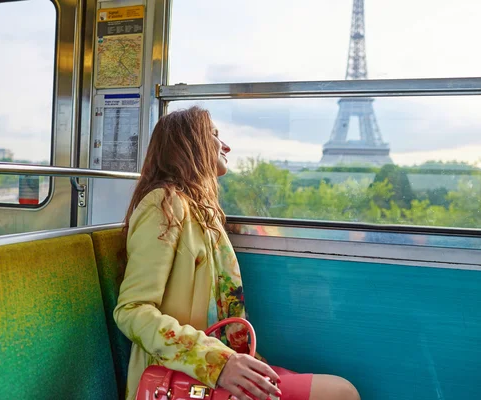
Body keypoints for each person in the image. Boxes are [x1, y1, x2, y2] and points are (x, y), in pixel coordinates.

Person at [114, 106, 361, 400]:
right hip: (180, 375)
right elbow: (132, 310)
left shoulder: (203, 212)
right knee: (342, 392)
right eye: (215, 135)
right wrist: (219, 362)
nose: (226, 145)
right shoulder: (163, 204)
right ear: (190, 143)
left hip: (218, 364)